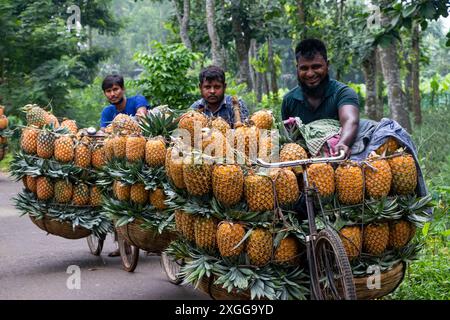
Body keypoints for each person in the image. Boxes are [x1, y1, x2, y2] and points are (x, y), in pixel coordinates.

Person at [281, 38, 359, 158]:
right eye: (304, 68)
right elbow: (289, 138)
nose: (310, 73)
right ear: (297, 68)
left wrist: (343, 143)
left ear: (327, 65)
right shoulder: (289, 101)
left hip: (340, 161)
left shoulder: (343, 93)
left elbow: (350, 120)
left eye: (316, 67)